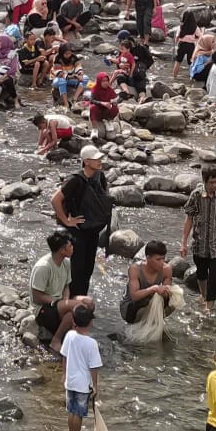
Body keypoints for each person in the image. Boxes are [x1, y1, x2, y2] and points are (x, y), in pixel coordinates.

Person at [52, 147, 113, 298]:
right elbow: (55, 200)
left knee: (88, 269)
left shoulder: (100, 176)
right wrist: (66, 220)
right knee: (77, 270)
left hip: (93, 229)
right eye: (96, 159)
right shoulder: (75, 180)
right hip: (78, 230)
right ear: (86, 161)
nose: (99, 161)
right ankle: (71, 301)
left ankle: (81, 302)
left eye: (99, 158)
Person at [30, 230, 96, 351]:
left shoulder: (66, 263)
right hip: (44, 308)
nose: (73, 247)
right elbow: (36, 297)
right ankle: (56, 340)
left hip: (59, 301)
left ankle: (75, 335)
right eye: (70, 246)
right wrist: (59, 301)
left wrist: (65, 300)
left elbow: (66, 286)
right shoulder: (43, 267)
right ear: (62, 250)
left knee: (89, 302)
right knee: (76, 308)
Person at [181, 165, 216, 311]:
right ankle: (204, 296)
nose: (215, 185)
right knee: (201, 273)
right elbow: (189, 219)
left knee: (215, 277)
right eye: (212, 182)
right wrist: (183, 243)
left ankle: (209, 307)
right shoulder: (196, 195)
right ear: (205, 181)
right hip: (200, 243)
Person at [61, 304, 101, 431]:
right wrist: (95, 385)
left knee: (71, 411)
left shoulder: (69, 335)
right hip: (82, 385)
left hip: (70, 382)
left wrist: (64, 374)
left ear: (73, 321)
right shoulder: (91, 343)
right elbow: (93, 367)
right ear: (90, 323)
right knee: (78, 413)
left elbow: (64, 356)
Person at [121, 239, 175, 324]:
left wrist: (167, 291)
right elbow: (134, 296)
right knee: (145, 310)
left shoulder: (166, 269)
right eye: (158, 259)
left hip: (149, 302)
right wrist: (153, 289)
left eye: (163, 258)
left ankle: (153, 324)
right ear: (148, 258)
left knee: (173, 302)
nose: (162, 262)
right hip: (131, 308)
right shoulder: (135, 269)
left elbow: (166, 295)